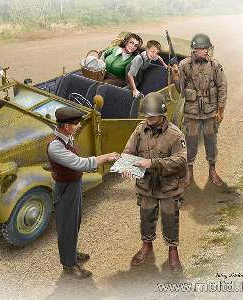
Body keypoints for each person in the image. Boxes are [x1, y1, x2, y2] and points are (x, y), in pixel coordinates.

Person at [47, 107, 119, 278]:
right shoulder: (55, 146)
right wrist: (107, 157)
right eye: (76, 124)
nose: (79, 126)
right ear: (66, 127)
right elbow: (82, 164)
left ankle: (71, 252)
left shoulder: (67, 136)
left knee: (74, 222)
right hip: (65, 189)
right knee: (66, 227)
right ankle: (69, 265)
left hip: (74, 184)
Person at [121, 92, 187, 273]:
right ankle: (146, 246)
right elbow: (129, 150)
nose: (148, 118)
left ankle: (173, 251)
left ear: (162, 114)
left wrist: (152, 163)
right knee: (146, 217)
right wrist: (126, 165)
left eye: (152, 115)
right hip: (146, 185)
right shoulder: (140, 130)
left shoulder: (175, 134)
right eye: (146, 115)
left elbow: (181, 161)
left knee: (170, 219)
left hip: (168, 187)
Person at [171, 33, 227, 186]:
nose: (205, 51)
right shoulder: (184, 65)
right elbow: (181, 91)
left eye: (207, 48)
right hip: (192, 111)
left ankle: (212, 170)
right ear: (194, 49)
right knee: (190, 141)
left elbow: (222, 87)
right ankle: (189, 172)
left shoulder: (215, 65)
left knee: (211, 140)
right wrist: (176, 77)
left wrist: (220, 110)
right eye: (202, 48)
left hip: (210, 110)